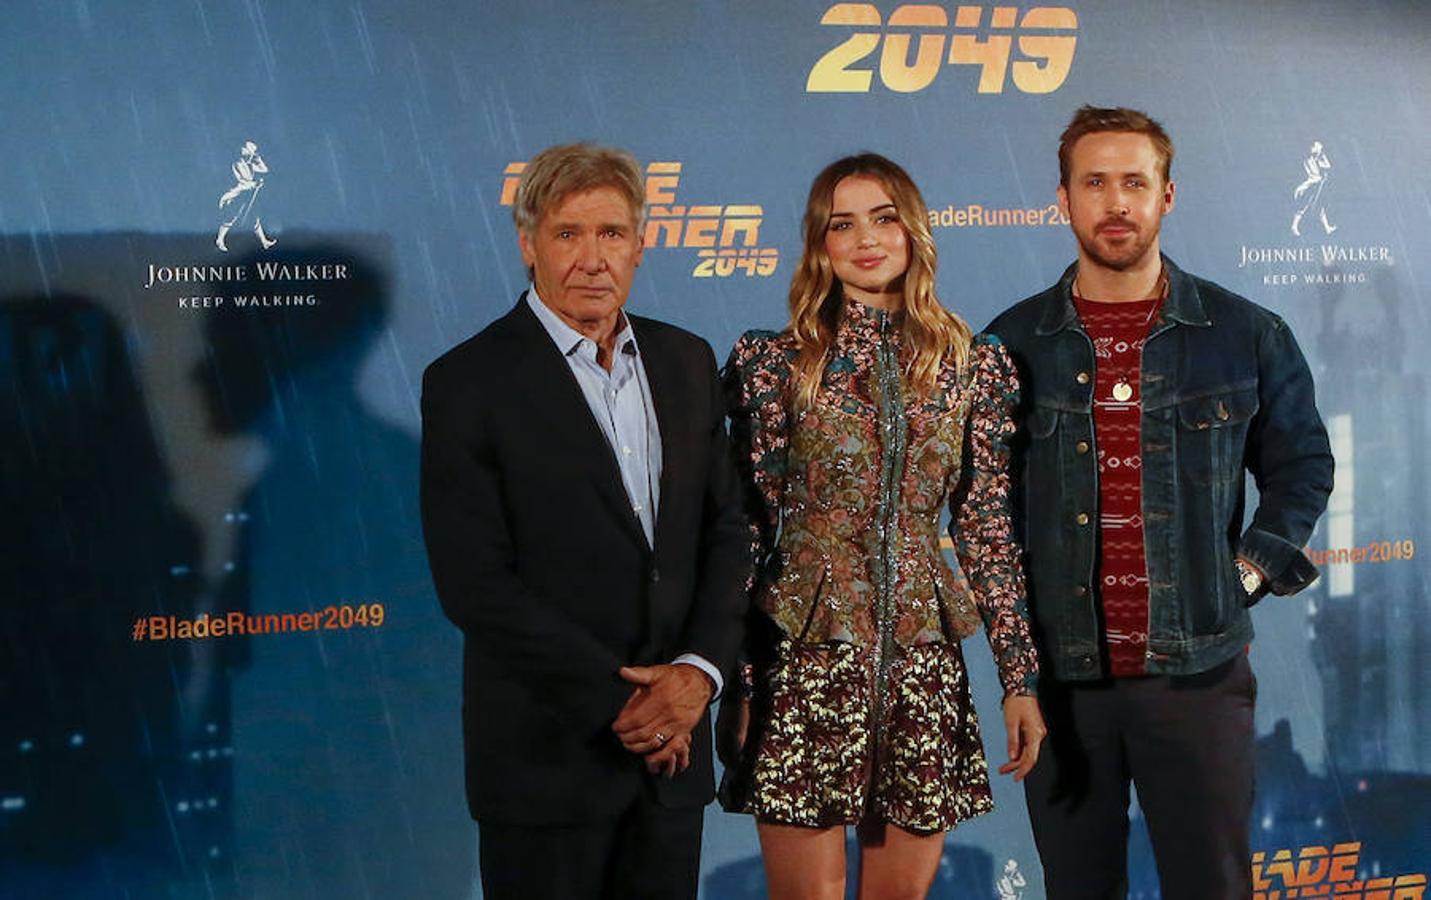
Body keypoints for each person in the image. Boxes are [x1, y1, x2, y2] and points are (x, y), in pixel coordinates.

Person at [987, 106, 1334, 900]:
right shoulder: (1008, 346)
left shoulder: (1244, 332)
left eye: (1134, 183)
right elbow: (986, 515)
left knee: (1210, 887)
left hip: (1199, 677)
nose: (1116, 203)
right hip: (1063, 683)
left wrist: (1243, 574)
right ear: (1062, 200)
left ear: (1166, 197)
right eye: (1095, 182)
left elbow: (1302, 464)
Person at [419, 142, 750, 900]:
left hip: (672, 765)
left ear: (639, 244)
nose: (591, 258)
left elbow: (726, 533)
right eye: (567, 234)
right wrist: (629, 702)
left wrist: (697, 676)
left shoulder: (686, 361)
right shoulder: (468, 381)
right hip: (545, 764)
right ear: (527, 244)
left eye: (611, 234)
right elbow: (475, 585)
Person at [720, 153, 1045, 900]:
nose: (866, 239)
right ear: (818, 244)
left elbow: (986, 529)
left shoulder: (974, 366)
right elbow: (742, 534)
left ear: (914, 230)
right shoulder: (775, 364)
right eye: (842, 223)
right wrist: (736, 684)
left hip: (922, 664)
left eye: (883, 216)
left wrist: (1016, 679)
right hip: (800, 663)